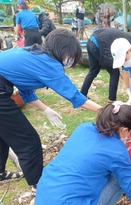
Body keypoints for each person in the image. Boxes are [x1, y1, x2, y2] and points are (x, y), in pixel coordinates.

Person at [0, 28, 102, 193]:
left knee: (4, 134)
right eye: (70, 55)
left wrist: (46, 109)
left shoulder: (34, 53)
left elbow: (25, 89)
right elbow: (76, 97)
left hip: (3, 85)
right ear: (63, 51)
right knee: (28, 140)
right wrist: (105, 110)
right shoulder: (49, 63)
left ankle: (0, 173)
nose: (70, 60)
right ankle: (39, 185)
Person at [35, 102, 131, 204]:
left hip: (45, 194)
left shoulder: (83, 128)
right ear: (123, 130)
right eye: (130, 132)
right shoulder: (117, 151)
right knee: (118, 180)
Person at [80, 28, 131, 104]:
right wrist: (128, 90)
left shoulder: (129, 39)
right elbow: (125, 70)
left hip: (90, 42)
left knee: (93, 71)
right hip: (98, 44)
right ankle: (111, 101)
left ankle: (82, 97)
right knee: (114, 72)